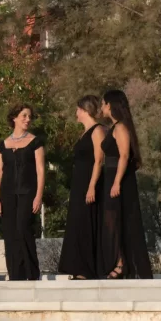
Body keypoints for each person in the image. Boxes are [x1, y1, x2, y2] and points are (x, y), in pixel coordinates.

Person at [99, 89, 153, 279]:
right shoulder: (114, 127)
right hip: (111, 178)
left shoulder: (121, 127)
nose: (101, 107)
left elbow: (124, 156)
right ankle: (120, 262)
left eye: (103, 103)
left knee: (121, 221)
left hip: (119, 179)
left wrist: (116, 182)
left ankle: (123, 265)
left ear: (110, 105)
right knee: (113, 221)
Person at [0, 104, 46, 281]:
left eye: (29, 116)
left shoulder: (35, 142)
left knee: (23, 229)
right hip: (7, 195)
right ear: (14, 118)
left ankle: (32, 274)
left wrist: (38, 196)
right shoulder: (3, 145)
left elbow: (40, 171)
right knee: (10, 233)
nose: (27, 119)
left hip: (27, 193)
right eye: (24, 115)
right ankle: (15, 275)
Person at [59, 96, 108, 279]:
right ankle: (78, 267)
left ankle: (88, 269)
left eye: (78, 109)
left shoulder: (97, 130)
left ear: (86, 110)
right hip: (79, 183)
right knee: (77, 222)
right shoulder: (84, 133)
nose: (76, 112)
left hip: (89, 182)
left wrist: (92, 186)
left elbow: (99, 160)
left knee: (87, 222)